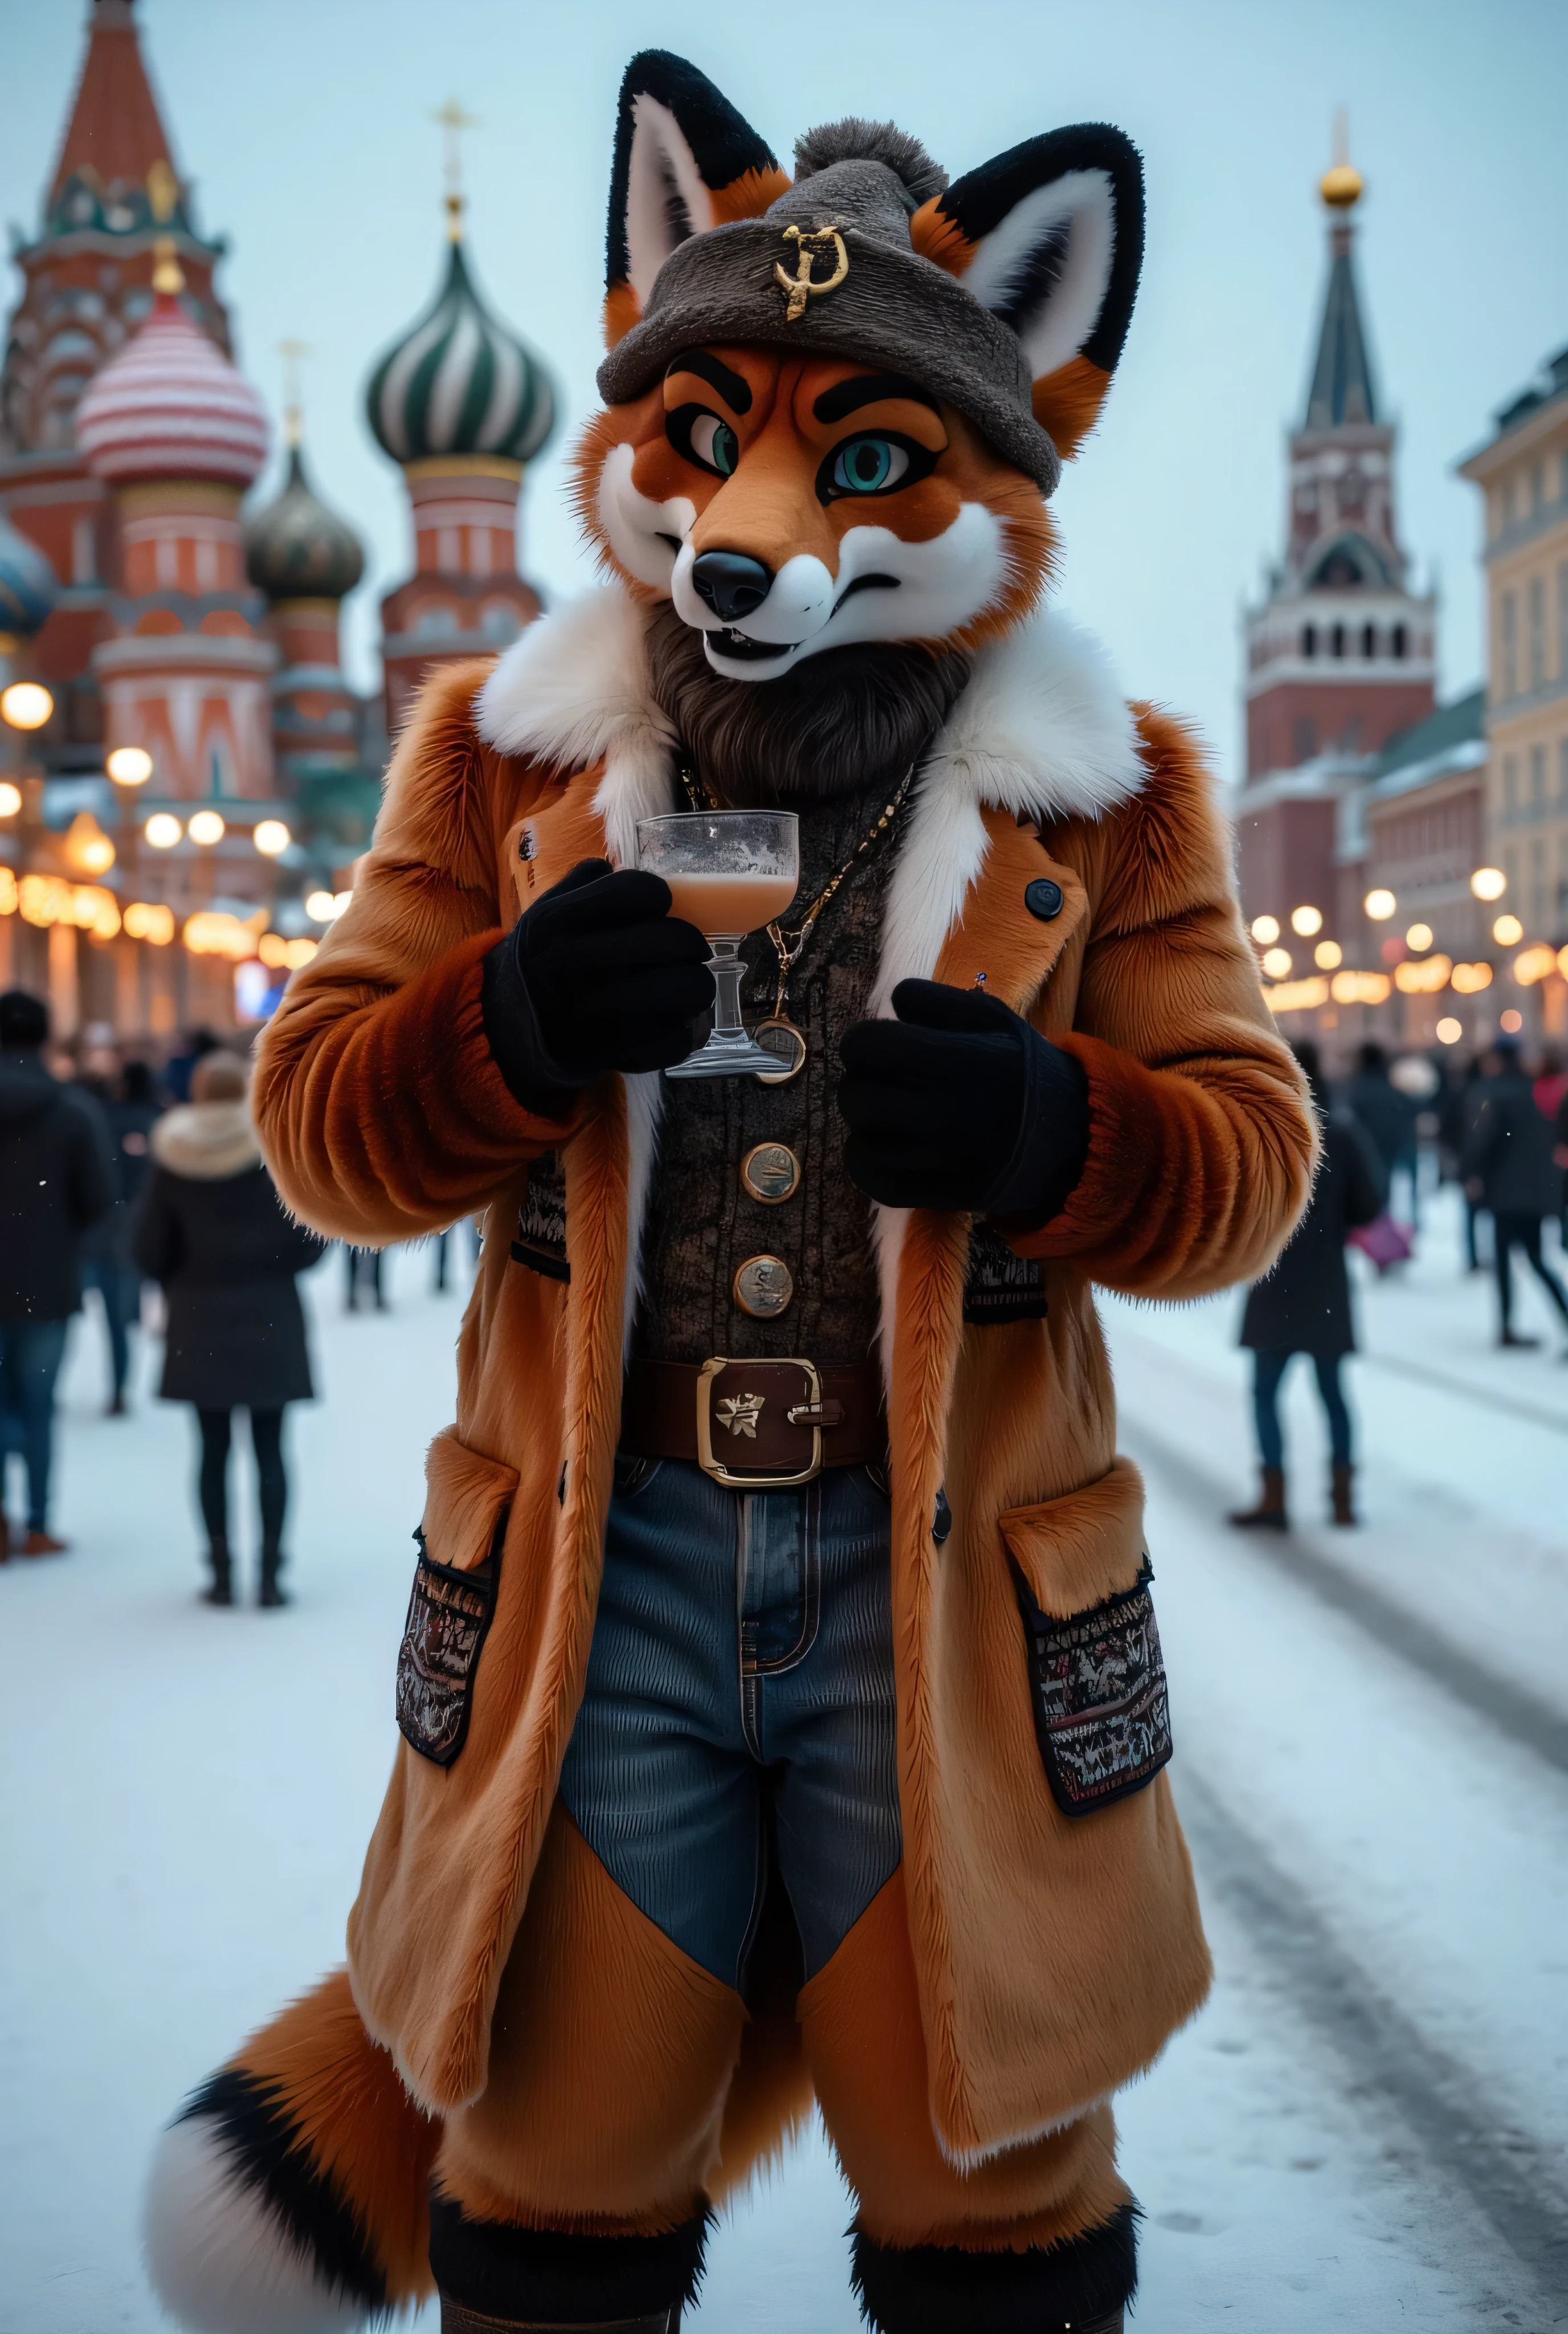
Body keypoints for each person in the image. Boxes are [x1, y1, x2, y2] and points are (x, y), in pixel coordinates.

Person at [148, 63, 1316, 2334]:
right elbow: (314, 1126)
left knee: (987, 2162)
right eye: (703, 436)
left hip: (950, 1583)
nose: (748, 526)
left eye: (860, 462)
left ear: (999, 459)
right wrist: (495, 1026)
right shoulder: (506, 758)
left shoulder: (1112, 796)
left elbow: (1247, 1166)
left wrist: (1064, 1135)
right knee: (559, 2154)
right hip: (614, 1569)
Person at [133, 1050, 324, 1605]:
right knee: (271, 1449)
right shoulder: (272, 1149)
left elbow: (148, 1248)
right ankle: (269, 1574)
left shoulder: (173, 1155)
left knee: (211, 1450)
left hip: (200, 1318)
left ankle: (219, 1571)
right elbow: (310, 1238)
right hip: (269, 1314)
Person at [1229, 1040, 1386, 1531]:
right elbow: (1370, 1206)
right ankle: (1342, 1499)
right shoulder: (1343, 1136)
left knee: (1264, 1394)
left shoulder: (1263, 1135)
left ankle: (1273, 1497)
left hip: (1273, 1282)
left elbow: (1236, 1205)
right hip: (1326, 1286)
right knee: (1333, 1394)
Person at [0, 988, 115, 1556]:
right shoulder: (71, 1111)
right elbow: (100, 1198)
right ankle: (39, 1520)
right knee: (40, 1404)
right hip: (47, 1279)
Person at [1461, 1035, 1568, 1352]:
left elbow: (1486, 1139)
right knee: (1536, 1260)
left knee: (1506, 1259)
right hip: (1534, 1191)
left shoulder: (1496, 1093)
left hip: (1506, 1193)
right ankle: (1559, 1316)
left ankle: (1507, 1325)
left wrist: (1472, 1172)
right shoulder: (1535, 1091)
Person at [76, 1042, 161, 1413]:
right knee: (118, 1312)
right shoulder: (158, 1121)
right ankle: (120, 1387)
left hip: (103, 1226)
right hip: (137, 1224)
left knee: (103, 1312)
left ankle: (114, 1387)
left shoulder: (101, 1118)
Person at [1342, 1038, 1420, 1225]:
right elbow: (1409, 1111)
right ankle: (1383, 1222)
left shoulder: (1356, 1090)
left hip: (1366, 1148)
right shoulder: (1391, 1088)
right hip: (1392, 1145)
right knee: (1385, 1190)